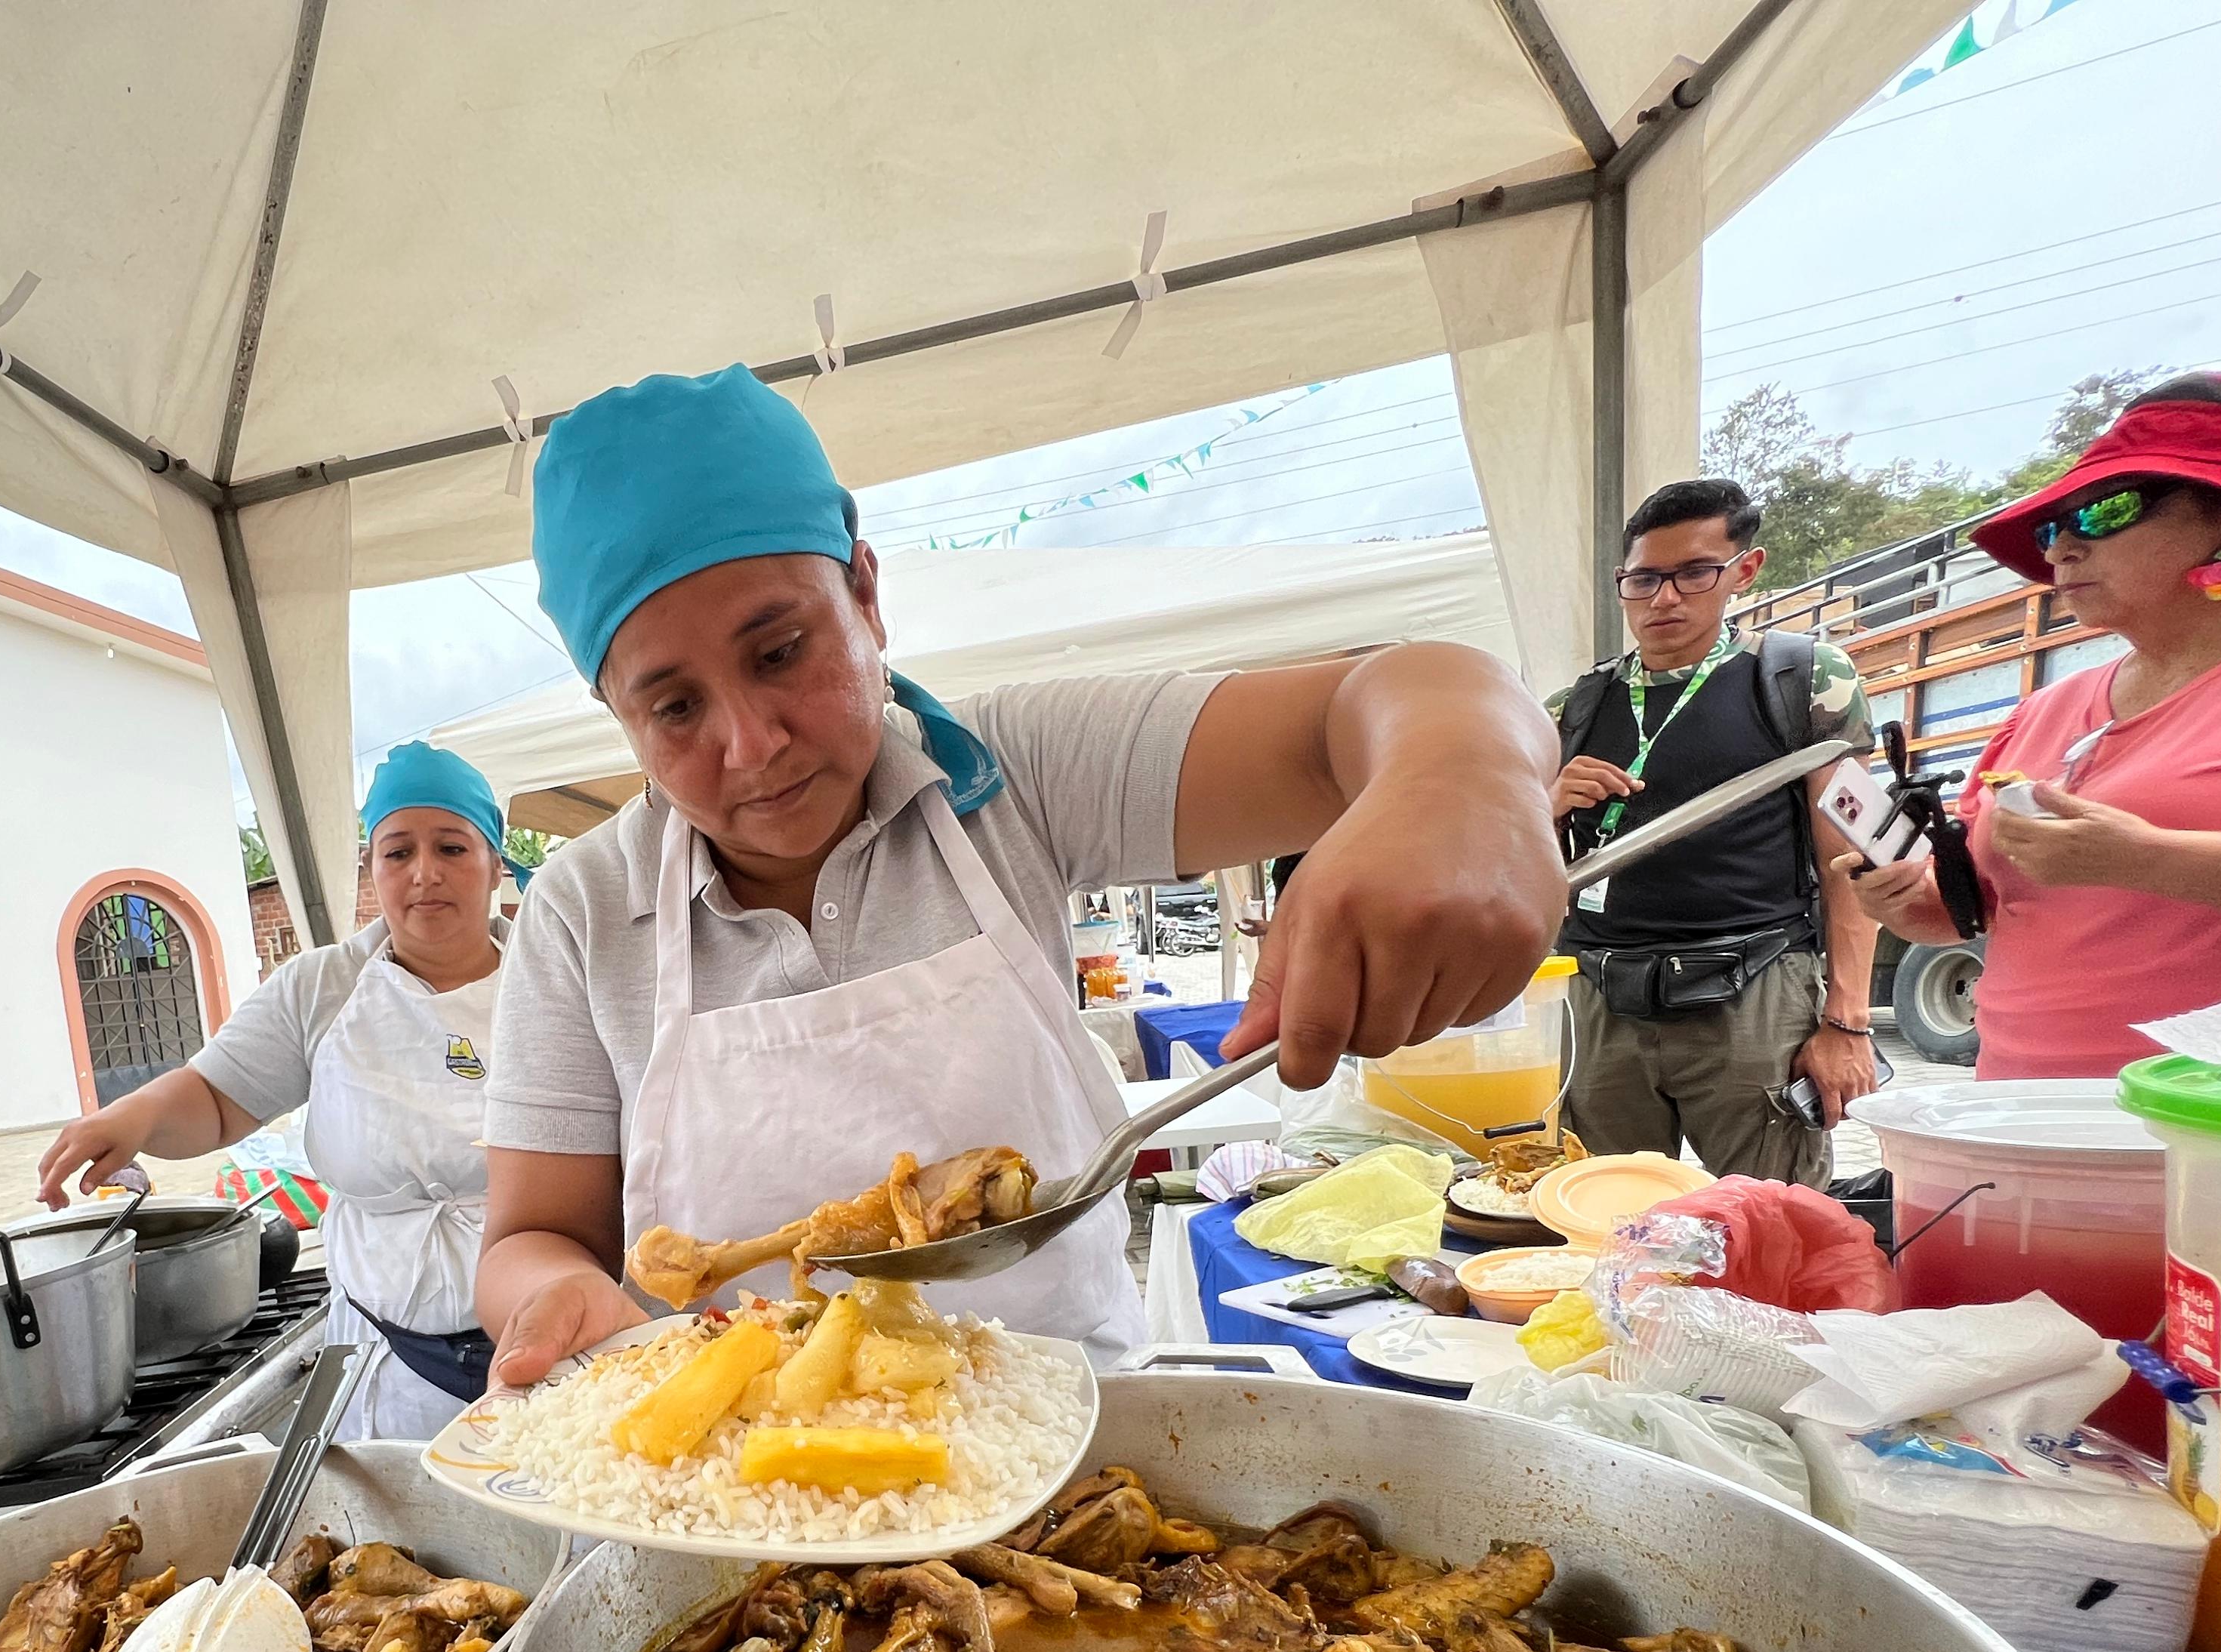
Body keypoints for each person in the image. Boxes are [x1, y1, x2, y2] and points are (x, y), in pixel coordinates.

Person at [473, 364, 1566, 1382]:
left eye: (779, 652)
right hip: (738, 1489)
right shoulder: (579, 911)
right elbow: (534, 1235)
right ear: (616, 715)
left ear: (863, 595)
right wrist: (559, 1293)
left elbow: (1399, 694)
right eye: (674, 707)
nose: (752, 744)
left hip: (1068, 1445)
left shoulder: (1018, 776)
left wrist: (1460, 780)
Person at [37, 741, 518, 1439]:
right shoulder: (321, 987)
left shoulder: (552, 979)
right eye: (397, 852)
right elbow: (217, 1099)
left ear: (495, 864)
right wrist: (135, 1116)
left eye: (451, 848)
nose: (424, 874)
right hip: (389, 1359)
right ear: (370, 870)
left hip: (538, 1345)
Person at [1833, 374, 2221, 1079]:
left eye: (2103, 513)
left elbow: (2133, 863)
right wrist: (1905, 899)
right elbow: (1975, 914)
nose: (2060, 550)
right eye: (2052, 529)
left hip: (2197, 1130)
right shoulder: (2042, 712)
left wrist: (2146, 857)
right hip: (2016, 1113)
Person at [1545, 478, 1883, 1184]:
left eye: (1695, 573)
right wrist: (1542, 806)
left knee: (1775, 1230)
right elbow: (1516, 866)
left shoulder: (1803, 678)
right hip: (1604, 1001)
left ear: (1744, 571)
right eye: (1643, 579)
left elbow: (1859, 856)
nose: (1664, 599)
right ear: (1621, 583)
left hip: (1753, 994)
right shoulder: (1576, 704)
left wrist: (1847, 1024)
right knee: (1603, 1226)